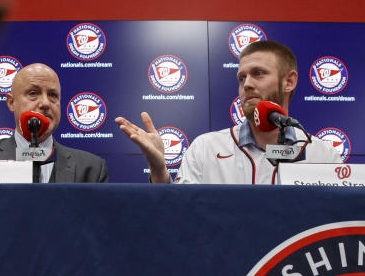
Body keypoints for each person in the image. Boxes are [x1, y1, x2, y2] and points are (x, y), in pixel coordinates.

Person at [115, 41, 341, 184]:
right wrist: (158, 169)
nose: (247, 84)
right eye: (242, 77)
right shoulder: (206, 148)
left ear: (289, 81)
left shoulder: (323, 155)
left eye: (258, 73)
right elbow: (177, 214)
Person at [0, 63, 108, 183]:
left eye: (52, 95)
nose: (45, 103)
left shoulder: (91, 169)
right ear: (11, 102)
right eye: (33, 93)